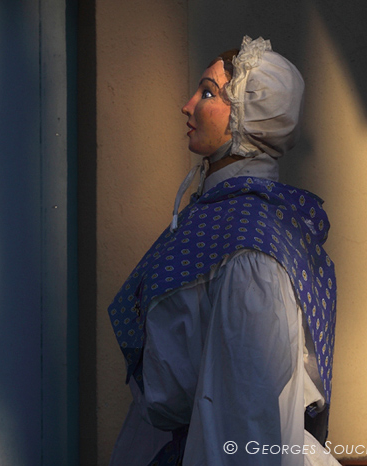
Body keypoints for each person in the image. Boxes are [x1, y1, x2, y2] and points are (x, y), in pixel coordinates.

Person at [108, 36, 338, 465]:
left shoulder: (250, 244)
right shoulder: (220, 220)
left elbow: (246, 414)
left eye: (209, 93)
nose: (187, 104)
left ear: (249, 116)